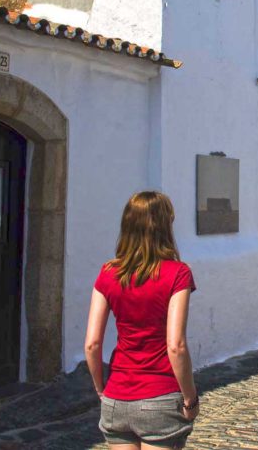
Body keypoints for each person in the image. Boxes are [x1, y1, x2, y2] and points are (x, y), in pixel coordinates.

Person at [85, 191, 199, 449]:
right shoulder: (177, 273)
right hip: (159, 395)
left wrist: (101, 388)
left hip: (117, 397)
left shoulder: (108, 273)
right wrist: (190, 399)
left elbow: (92, 343)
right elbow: (176, 346)